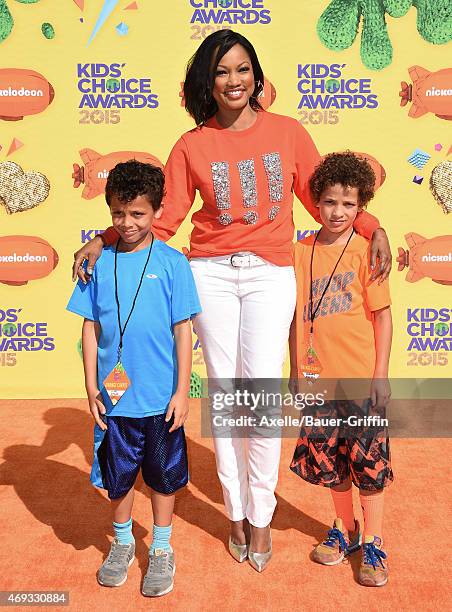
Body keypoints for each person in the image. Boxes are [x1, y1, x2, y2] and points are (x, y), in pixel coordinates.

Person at [72, 29, 392, 572]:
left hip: (270, 273)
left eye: (242, 69)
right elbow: (163, 220)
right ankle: (237, 513)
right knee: (226, 394)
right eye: (221, 71)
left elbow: (324, 202)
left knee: (260, 395)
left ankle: (262, 517)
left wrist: (373, 224)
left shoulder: (289, 133)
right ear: (207, 81)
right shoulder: (191, 145)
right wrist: (103, 237)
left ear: (257, 75)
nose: (233, 80)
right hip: (211, 275)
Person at [67, 161, 201, 596]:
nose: (127, 223)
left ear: (158, 211)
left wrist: (182, 391)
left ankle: (161, 549)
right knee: (117, 478)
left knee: (163, 478)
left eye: (138, 214)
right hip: (114, 400)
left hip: (162, 400)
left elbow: (184, 329)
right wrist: (91, 387)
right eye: (118, 214)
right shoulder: (97, 263)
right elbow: (89, 327)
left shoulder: (173, 264)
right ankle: (123, 542)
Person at [289, 152, 393, 587]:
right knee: (330, 465)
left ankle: (374, 540)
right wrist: (294, 371)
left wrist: (381, 374)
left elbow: (384, 316)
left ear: (361, 207)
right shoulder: (300, 251)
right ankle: (344, 527)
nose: (338, 212)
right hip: (317, 383)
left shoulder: (367, 251)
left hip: (359, 382)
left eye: (349, 205)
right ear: (316, 203)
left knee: (367, 466)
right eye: (330, 202)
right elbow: (296, 317)